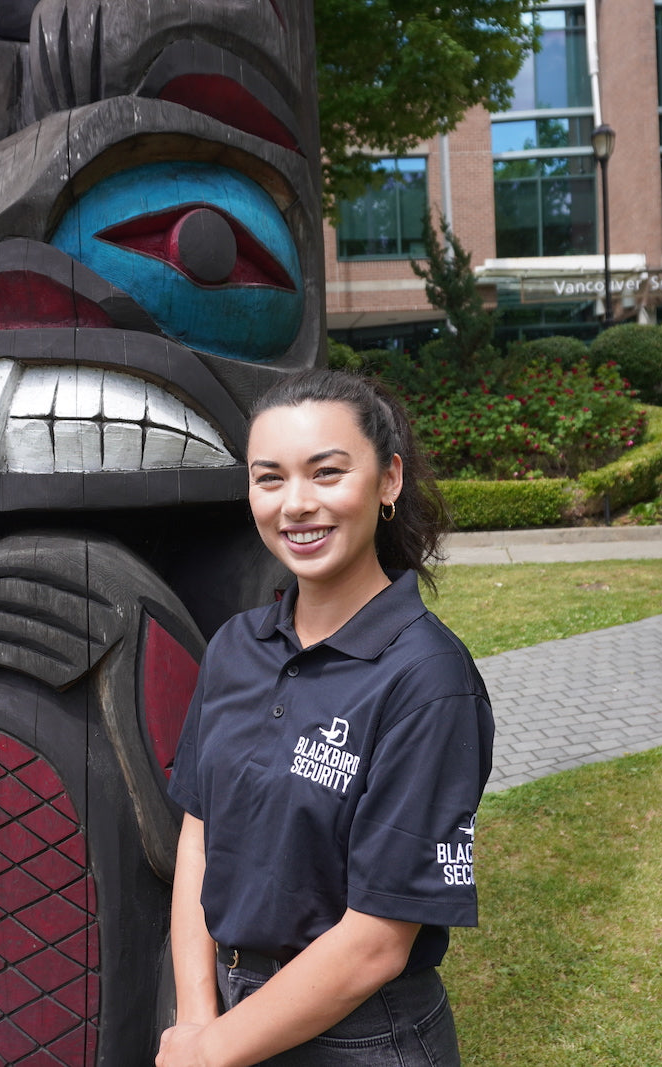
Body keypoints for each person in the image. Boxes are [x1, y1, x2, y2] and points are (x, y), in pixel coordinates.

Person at [156, 368, 494, 1067]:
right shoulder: (235, 648)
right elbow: (198, 836)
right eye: (269, 478)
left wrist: (212, 1049)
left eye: (327, 472)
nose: (296, 504)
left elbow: (376, 940)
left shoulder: (427, 678)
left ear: (389, 479)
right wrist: (196, 1017)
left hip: (362, 1036)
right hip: (226, 1010)